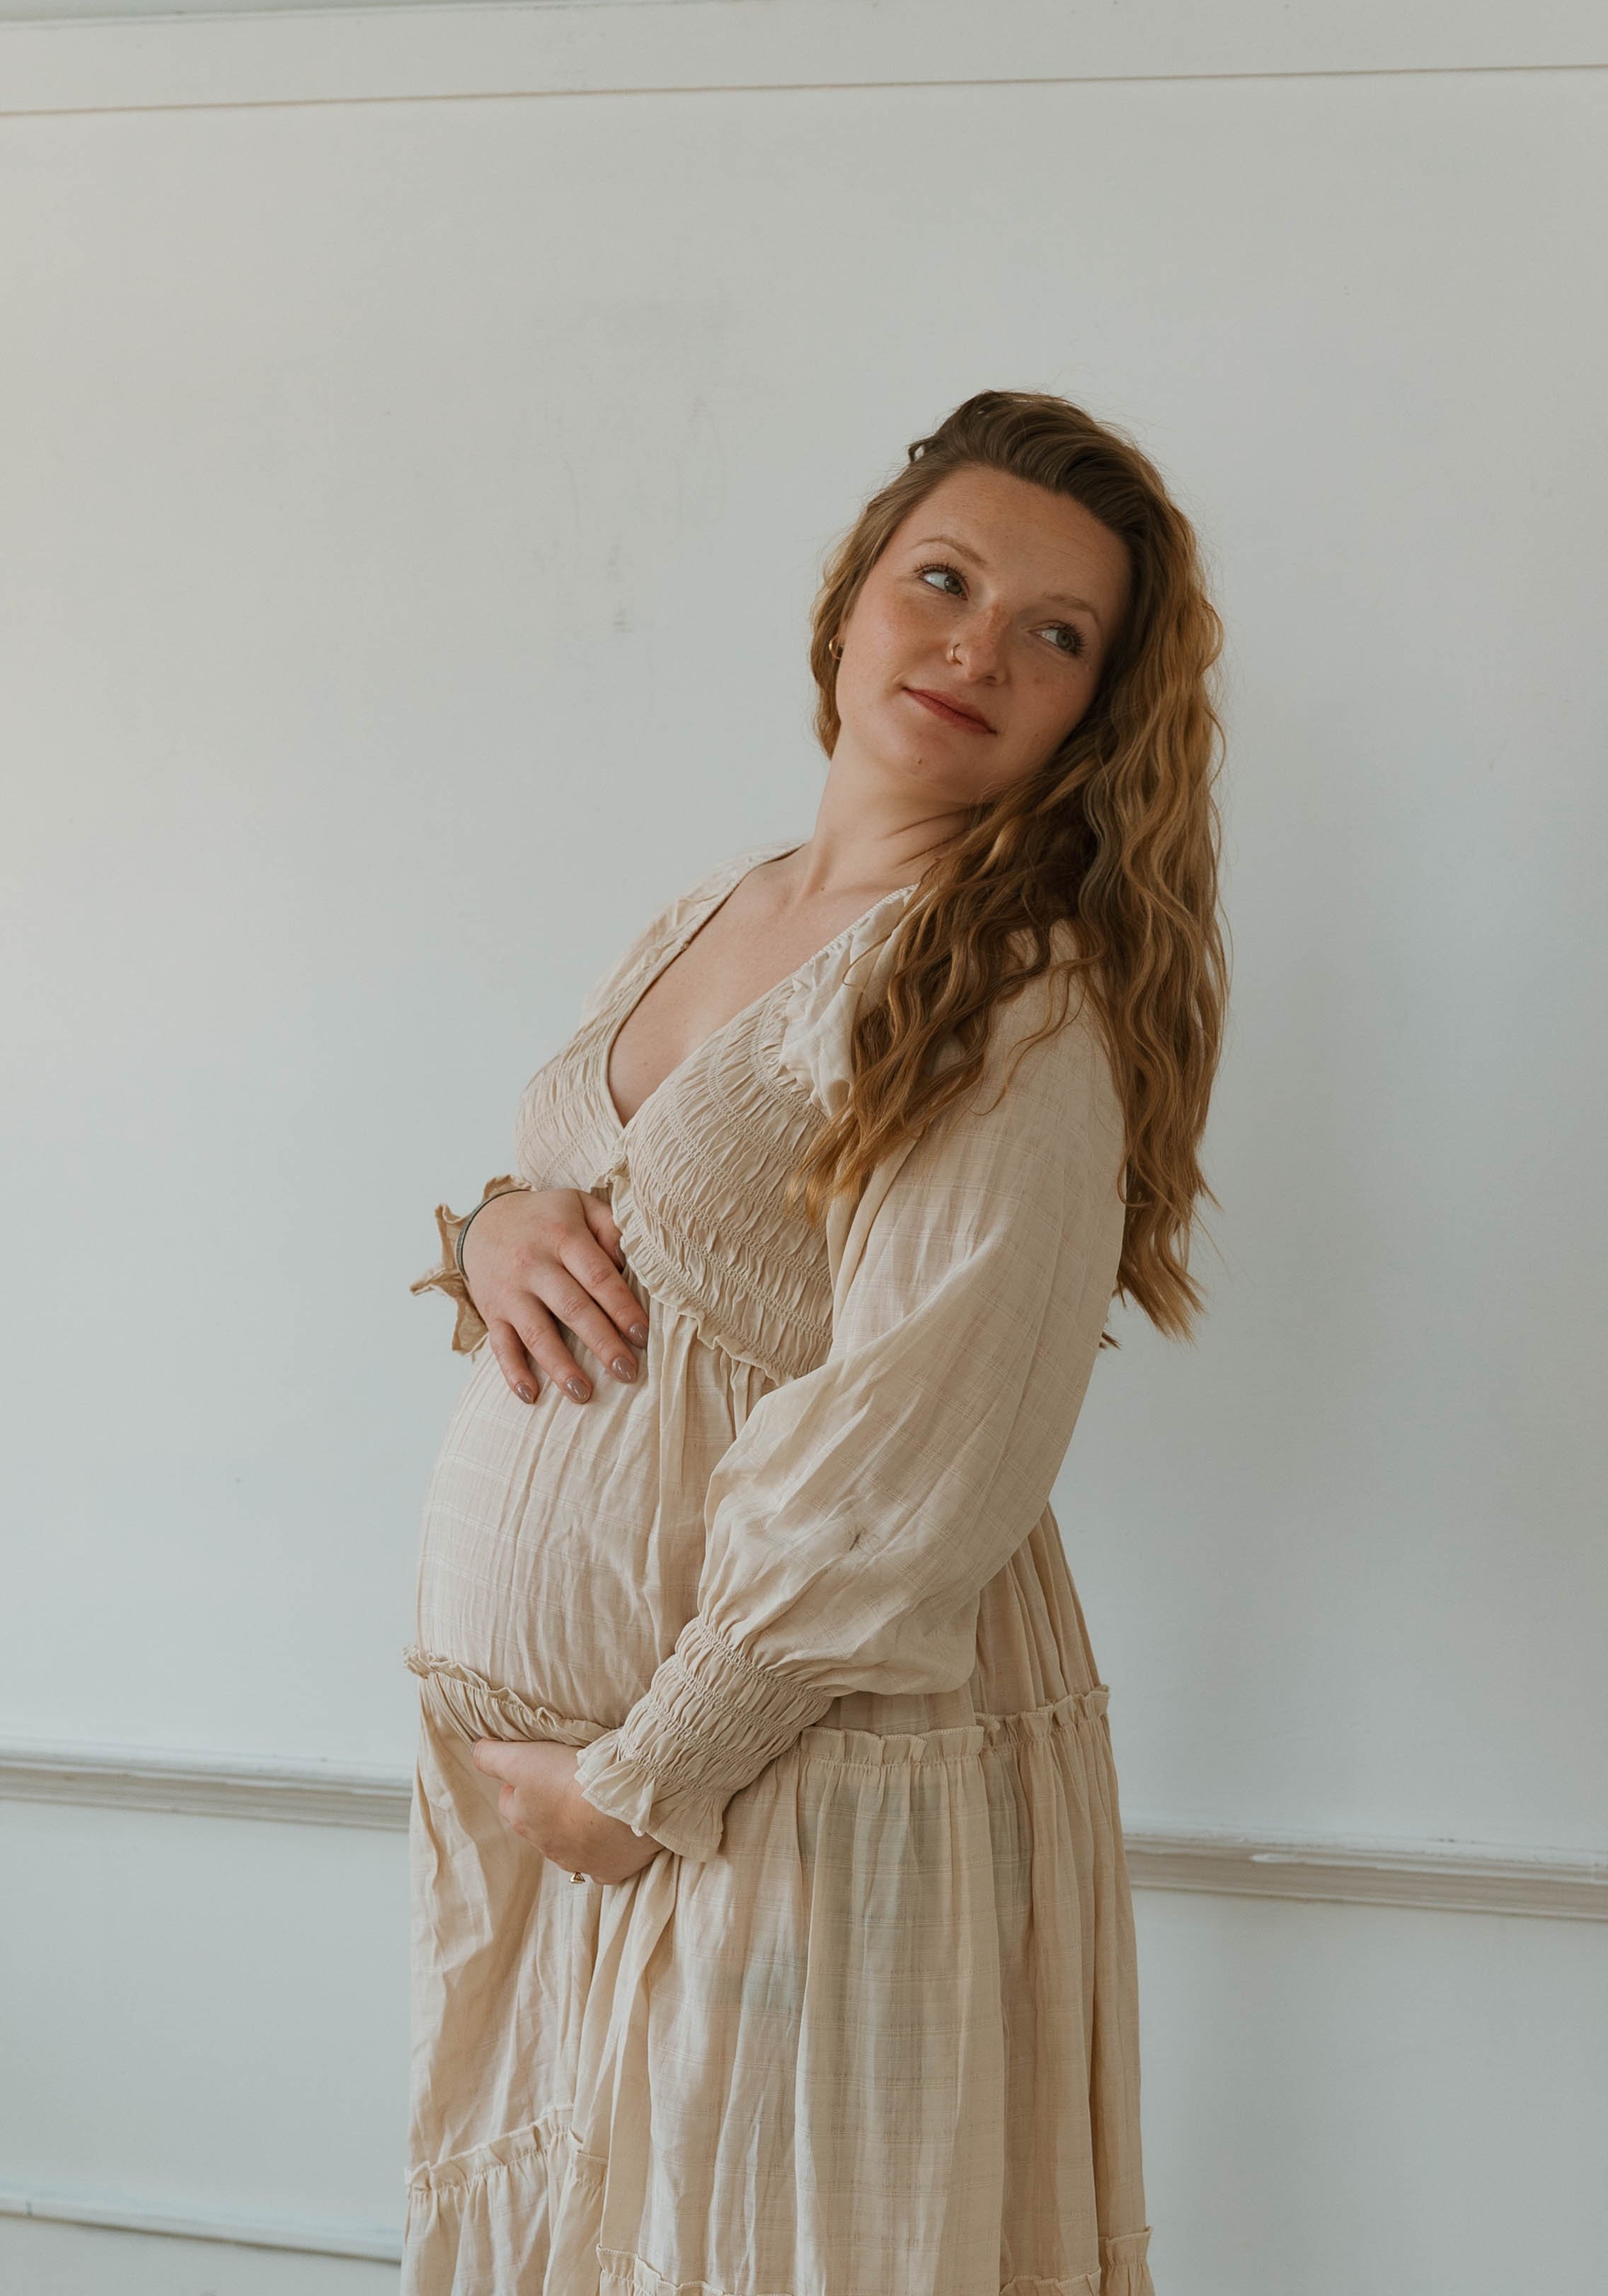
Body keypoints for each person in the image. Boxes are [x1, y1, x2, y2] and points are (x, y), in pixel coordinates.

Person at [406, 387, 1227, 2296]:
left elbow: (924, 1441)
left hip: (790, 1782)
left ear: (1094, 710)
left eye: (1055, 635)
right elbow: (644, 1220)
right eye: (942, 579)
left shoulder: (1008, 989)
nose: (975, 647)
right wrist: (494, 1226)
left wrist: (647, 1775)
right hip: (605, 1812)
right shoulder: (726, 907)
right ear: (852, 596)